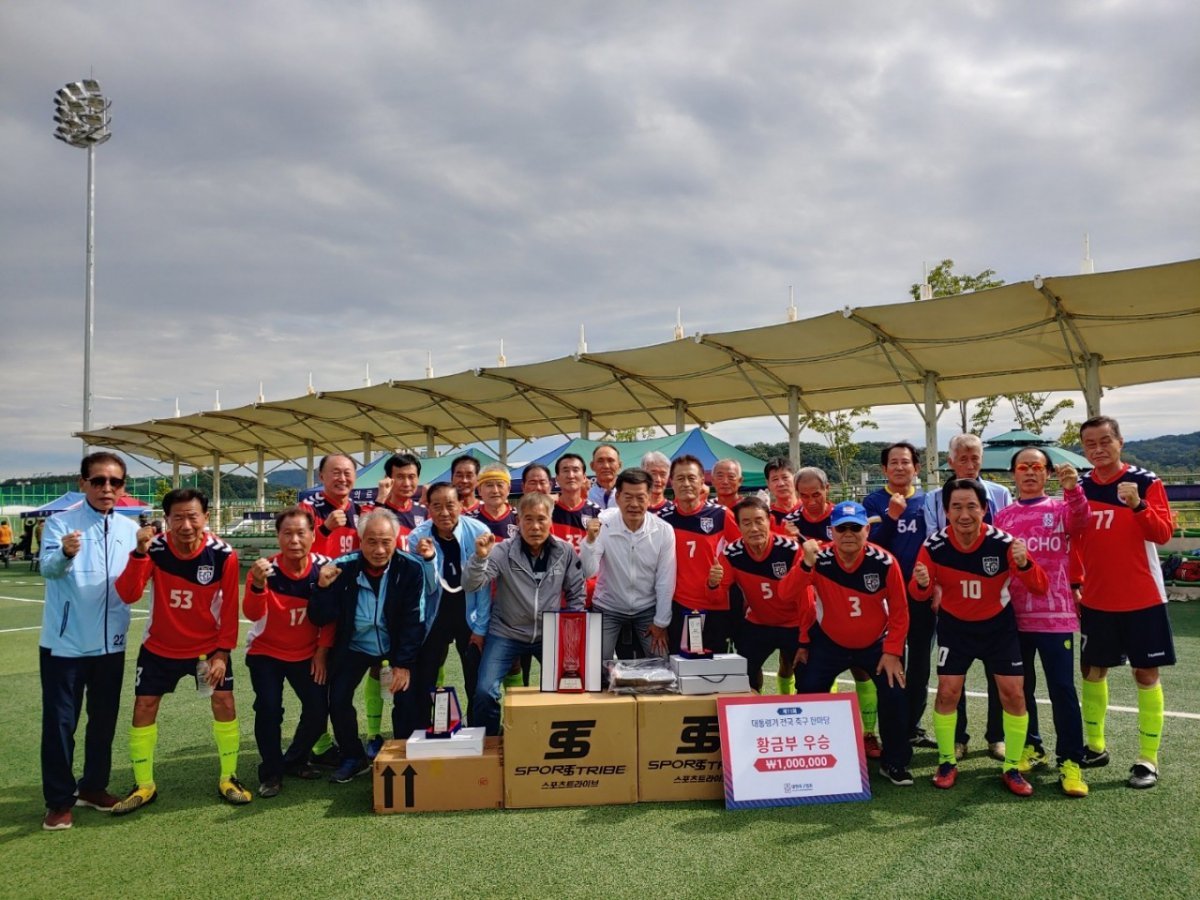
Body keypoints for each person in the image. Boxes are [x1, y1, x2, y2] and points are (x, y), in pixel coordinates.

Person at [111, 489, 249, 814]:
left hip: (206, 651)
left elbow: (230, 608)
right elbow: (128, 594)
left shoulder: (223, 554)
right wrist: (140, 552)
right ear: (167, 519)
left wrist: (222, 654)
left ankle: (229, 777)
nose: (186, 525)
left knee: (224, 701)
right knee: (144, 705)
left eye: (193, 516)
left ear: (206, 517)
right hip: (160, 647)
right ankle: (144, 785)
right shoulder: (155, 549)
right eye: (178, 518)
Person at [910, 479, 1049, 796]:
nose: (964, 514)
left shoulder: (1002, 542)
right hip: (955, 627)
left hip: (998, 628)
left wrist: (1025, 562)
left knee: (1014, 693)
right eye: (956, 507)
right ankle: (947, 761)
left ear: (984, 509)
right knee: (947, 692)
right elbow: (917, 594)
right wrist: (920, 584)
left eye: (971, 506)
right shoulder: (934, 546)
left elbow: (1040, 586)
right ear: (946, 512)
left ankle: (1012, 767)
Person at [37, 452, 140, 831]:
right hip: (64, 646)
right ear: (83, 484)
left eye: (114, 482)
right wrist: (65, 553)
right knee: (61, 724)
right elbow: (48, 569)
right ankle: (59, 800)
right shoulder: (61, 523)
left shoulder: (131, 530)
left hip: (111, 645)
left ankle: (93, 786)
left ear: (123, 487)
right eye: (98, 481)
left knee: (103, 721)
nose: (107, 488)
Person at [1075, 415, 1176, 789]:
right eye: (1090, 444)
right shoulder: (1081, 488)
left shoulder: (1147, 482)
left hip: (1143, 597)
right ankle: (1095, 746)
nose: (1098, 449)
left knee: (1145, 674)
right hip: (1097, 599)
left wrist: (1137, 506)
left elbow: (1162, 534)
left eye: (1105, 441)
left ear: (1120, 441)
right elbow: (1072, 540)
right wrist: (1074, 583)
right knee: (1092, 671)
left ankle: (1147, 759)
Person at [308, 509, 433, 783]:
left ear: (396, 540)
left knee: (407, 696)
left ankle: (404, 752)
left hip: (395, 645)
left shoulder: (411, 567)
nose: (378, 549)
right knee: (338, 698)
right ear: (360, 540)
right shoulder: (341, 566)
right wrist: (323, 588)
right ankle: (353, 757)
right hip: (354, 646)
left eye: (386, 541)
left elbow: (415, 620)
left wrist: (403, 664)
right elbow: (320, 617)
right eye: (371, 541)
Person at [794, 502, 913, 786]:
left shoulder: (884, 561)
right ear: (831, 531)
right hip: (829, 642)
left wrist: (893, 651)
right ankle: (814, 758)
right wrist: (805, 563)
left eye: (856, 527)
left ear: (867, 530)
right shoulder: (817, 558)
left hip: (876, 644)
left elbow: (899, 611)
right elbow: (788, 592)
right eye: (842, 528)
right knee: (808, 687)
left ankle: (894, 762)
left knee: (895, 693)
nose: (849, 533)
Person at [994, 448, 1091, 797]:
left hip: (1056, 616)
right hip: (1014, 618)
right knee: (1022, 689)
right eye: (1024, 467)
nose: (1031, 473)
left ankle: (1071, 761)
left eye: (1037, 467)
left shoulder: (1061, 508)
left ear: (1047, 473)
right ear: (1014, 474)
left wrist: (1074, 489)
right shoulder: (1002, 517)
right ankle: (1032, 748)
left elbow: (1083, 521)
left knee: (1062, 689)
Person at [469, 492, 587, 734]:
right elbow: (472, 583)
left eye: (541, 519)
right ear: (518, 521)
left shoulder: (564, 551)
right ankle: (490, 741)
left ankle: (555, 734)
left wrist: (570, 635)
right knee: (484, 691)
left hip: (549, 634)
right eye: (528, 519)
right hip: (507, 632)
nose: (535, 526)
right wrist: (479, 559)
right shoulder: (502, 551)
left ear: (550, 521)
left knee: (572, 687)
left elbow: (576, 592)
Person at [923, 433, 1010, 760]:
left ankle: (996, 737)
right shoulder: (933, 499)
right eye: (963, 458)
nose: (970, 464)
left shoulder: (1000, 494)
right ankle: (957, 738)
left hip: (993, 598)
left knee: (997, 673)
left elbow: (1006, 543)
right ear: (950, 461)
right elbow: (933, 544)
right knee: (951, 678)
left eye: (975, 458)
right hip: (953, 598)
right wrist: (936, 587)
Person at [782, 467, 879, 749]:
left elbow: (856, 550)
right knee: (809, 670)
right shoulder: (789, 522)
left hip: (844, 603)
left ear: (827, 489)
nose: (811, 501)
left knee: (862, 671)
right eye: (804, 495)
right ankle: (821, 734)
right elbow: (791, 567)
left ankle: (869, 733)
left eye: (816, 494)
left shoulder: (843, 516)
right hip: (806, 607)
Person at [242, 507, 333, 797]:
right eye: (287, 533)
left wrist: (321, 652)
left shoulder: (324, 567)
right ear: (278, 537)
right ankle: (271, 772)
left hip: (307, 653)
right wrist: (257, 585)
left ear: (312, 534)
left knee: (319, 710)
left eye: (301, 533)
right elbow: (252, 612)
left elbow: (332, 617)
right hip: (266, 652)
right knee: (269, 709)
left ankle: (294, 760)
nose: (294, 540)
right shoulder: (265, 570)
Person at [862, 442, 934, 748]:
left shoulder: (928, 502)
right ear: (884, 469)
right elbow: (868, 545)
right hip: (884, 596)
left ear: (916, 468)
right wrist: (891, 517)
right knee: (891, 659)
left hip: (921, 594)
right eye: (894, 462)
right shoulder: (874, 502)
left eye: (906, 462)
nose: (900, 467)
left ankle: (912, 725)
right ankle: (891, 726)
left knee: (920, 661)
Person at [408, 483, 491, 727]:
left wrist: (481, 628)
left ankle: (481, 730)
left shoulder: (478, 531)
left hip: (470, 612)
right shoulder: (417, 538)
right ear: (428, 508)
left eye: (450, 505)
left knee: (474, 677)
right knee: (425, 676)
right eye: (437, 506)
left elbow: (483, 585)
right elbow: (429, 587)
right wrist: (429, 559)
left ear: (461, 506)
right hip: (435, 614)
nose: (444, 512)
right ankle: (424, 729)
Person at [581, 468, 676, 659]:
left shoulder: (663, 530)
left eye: (640, 497)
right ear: (618, 498)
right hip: (608, 607)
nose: (634, 504)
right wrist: (589, 542)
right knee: (595, 665)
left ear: (649, 498)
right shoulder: (604, 524)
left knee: (661, 662)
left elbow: (666, 579)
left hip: (646, 607)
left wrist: (661, 622)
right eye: (628, 497)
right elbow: (588, 571)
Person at [716, 497, 805, 693]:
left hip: (794, 623)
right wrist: (712, 584)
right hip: (759, 622)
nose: (754, 528)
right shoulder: (732, 553)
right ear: (738, 526)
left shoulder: (790, 550)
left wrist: (806, 637)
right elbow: (718, 593)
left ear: (769, 520)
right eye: (746, 523)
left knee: (809, 678)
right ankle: (754, 711)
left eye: (759, 521)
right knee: (744, 673)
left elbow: (807, 598)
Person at [660, 455, 741, 654]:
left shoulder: (721, 515)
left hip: (716, 607)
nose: (686, 483)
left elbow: (739, 556)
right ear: (671, 482)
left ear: (701, 481)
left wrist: (720, 584)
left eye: (691, 478)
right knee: (680, 668)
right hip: (678, 607)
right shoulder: (662, 520)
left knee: (716, 673)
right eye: (680, 478)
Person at [302, 453, 365, 559]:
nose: (342, 479)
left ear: (355, 477)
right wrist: (325, 529)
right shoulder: (307, 508)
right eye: (336, 473)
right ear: (321, 477)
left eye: (347, 473)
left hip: (351, 574)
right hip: (321, 574)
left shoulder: (359, 510)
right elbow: (298, 547)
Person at [373, 452, 428, 550]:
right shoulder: (375, 509)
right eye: (400, 477)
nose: (406, 483)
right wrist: (381, 498)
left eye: (411, 477)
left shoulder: (424, 512)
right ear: (388, 479)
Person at [551, 453, 602, 549]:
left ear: (584, 477)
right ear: (557, 478)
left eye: (575, 470)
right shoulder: (547, 511)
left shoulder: (596, 512)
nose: (571, 475)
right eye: (565, 470)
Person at [468, 464, 519, 540]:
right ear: (479, 490)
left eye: (500, 485)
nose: (495, 491)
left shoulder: (519, 517)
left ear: (508, 489)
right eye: (489, 485)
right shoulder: (469, 521)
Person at [763, 457, 799, 532]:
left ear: (795, 478)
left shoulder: (809, 509)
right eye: (775, 479)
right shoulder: (765, 517)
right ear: (768, 483)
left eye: (785, 477)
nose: (781, 484)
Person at [588, 443, 622, 510]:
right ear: (592, 466)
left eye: (610, 461)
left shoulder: (629, 495)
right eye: (600, 461)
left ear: (619, 465)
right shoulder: (586, 497)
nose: (606, 466)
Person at [641, 451, 672, 515]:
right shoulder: (633, 509)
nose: (658, 479)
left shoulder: (674, 510)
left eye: (663, 474)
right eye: (653, 474)